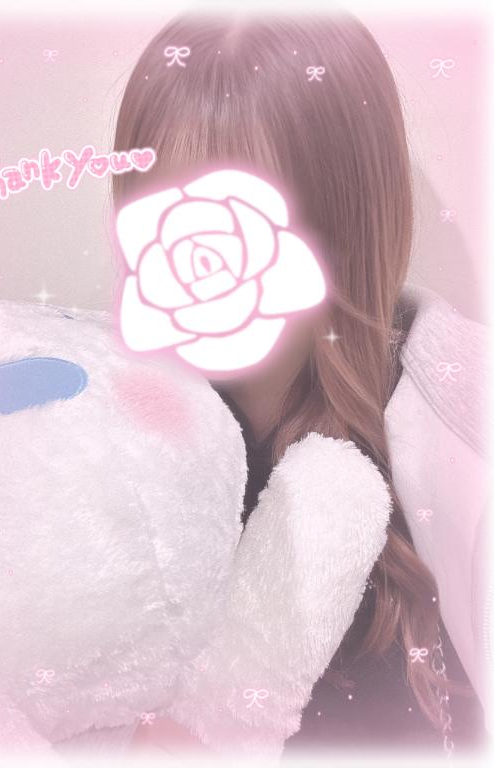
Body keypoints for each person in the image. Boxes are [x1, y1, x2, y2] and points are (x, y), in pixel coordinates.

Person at [108, 10, 488, 758]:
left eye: (236, 209)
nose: (188, 249)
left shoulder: (463, 433)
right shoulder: (107, 442)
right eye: (157, 203)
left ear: (345, 215)